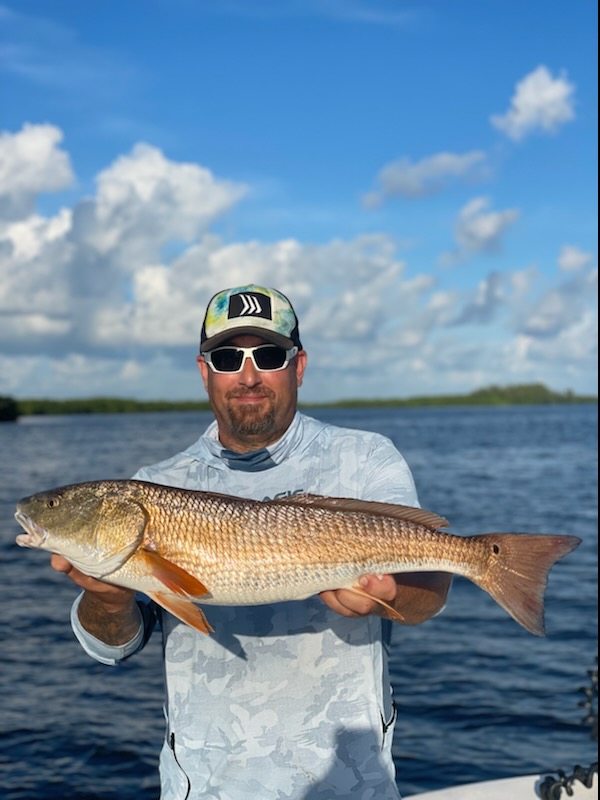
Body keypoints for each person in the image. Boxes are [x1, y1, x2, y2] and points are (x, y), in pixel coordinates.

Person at [52, 284, 452, 800]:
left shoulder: (366, 460)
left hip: (350, 784)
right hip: (206, 785)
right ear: (204, 371)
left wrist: (392, 598)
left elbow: (431, 592)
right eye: (226, 357)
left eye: (267, 355)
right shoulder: (156, 481)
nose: (247, 375)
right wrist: (106, 598)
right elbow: (115, 647)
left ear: (298, 366)